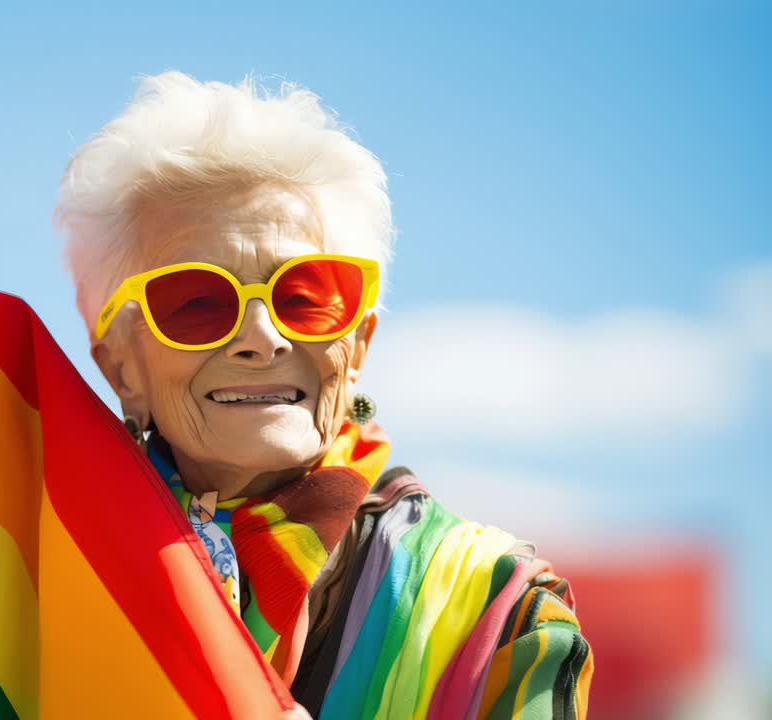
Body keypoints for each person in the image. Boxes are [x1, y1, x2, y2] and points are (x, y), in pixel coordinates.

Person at [54, 72, 593, 719]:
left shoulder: (507, 612)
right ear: (122, 368)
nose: (262, 337)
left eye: (304, 297)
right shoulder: (39, 575)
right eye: (196, 302)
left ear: (357, 346)